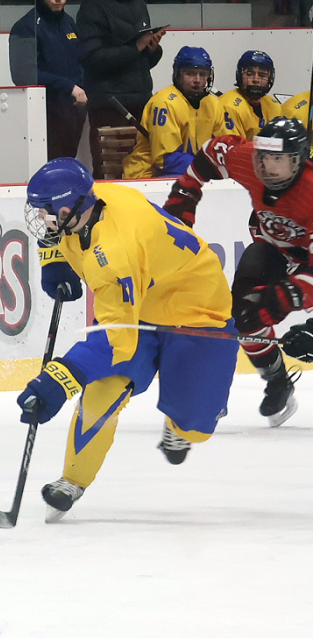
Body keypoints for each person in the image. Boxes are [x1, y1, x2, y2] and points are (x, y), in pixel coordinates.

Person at [17, 158, 235, 520]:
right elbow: (60, 231)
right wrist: (54, 258)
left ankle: (181, 423)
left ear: (69, 209)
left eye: (45, 211)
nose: (41, 218)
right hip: (142, 297)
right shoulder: (89, 199)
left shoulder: (113, 256)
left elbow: (119, 340)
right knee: (102, 389)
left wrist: (60, 378)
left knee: (195, 424)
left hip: (196, 309)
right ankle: (72, 480)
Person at [165, 118, 313, 427]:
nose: (267, 167)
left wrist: (284, 301)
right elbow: (213, 151)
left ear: (298, 161)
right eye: (264, 157)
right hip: (273, 248)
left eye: (277, 159)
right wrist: (185, 195)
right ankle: (277, 380)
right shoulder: (248, 161)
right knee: (244, 314)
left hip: (308, 262)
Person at [78, 0, 165, 164]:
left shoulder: (139, 3)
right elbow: (91, 58)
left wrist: (152, 49)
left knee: (142, 170)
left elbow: (141, 61)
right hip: (109, 105)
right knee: (109, 172)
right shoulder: (93, 6)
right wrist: (135, 47)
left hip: (142, 101)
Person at [7, 0, 86, 160]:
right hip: (43, 114)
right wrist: (68, 86)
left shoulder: (69, 23)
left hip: (73, 112)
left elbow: (80, 61)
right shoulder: (25, 27)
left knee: (66, 164)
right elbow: (24, 75)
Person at [124, 47, 218, 178]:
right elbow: (165, 160)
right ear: (178, 75)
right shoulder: (165, 103)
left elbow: (221, 146)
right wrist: (205, 168)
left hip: (191, 173)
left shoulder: (213, 103)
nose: (197, 79)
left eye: (202, 74)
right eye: (190, 73)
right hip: (148, 176)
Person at [213, 50, 285, 139]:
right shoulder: (229, 106)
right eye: (250, 74)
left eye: (262, 75)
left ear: (270, 78)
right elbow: (233, 150)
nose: (256, 79)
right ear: (240, 75)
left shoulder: (273, 105)